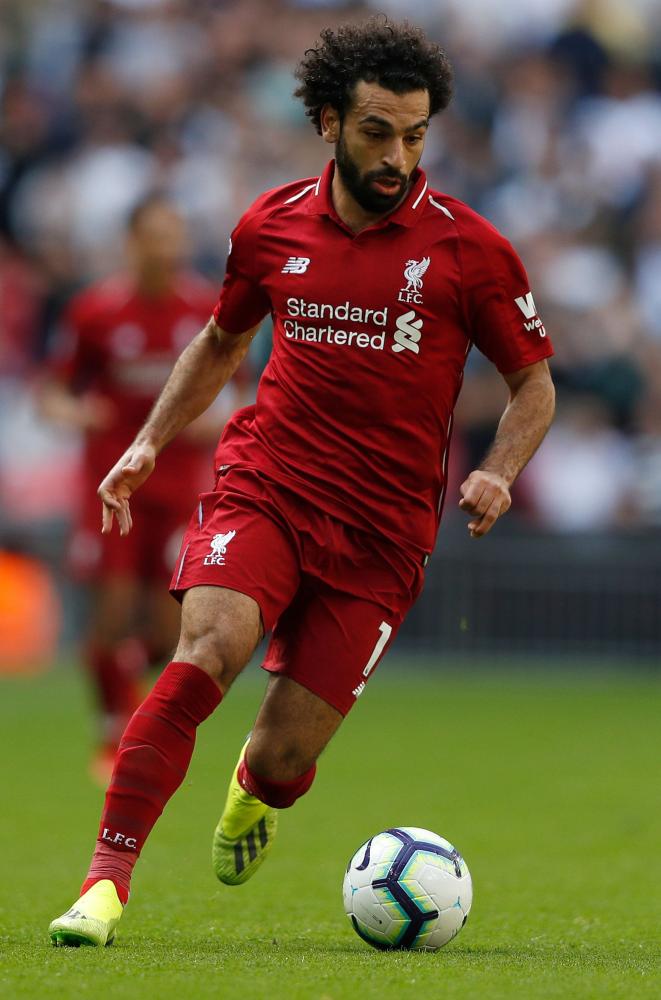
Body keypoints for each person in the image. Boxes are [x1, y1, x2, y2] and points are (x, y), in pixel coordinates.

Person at [49, 18, 555, 947]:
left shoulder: (469, 250)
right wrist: (151, 440)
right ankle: (104, 884)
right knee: (205, 650)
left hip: (383, 534)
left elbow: (533, 384)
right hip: (268, 483)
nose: (398, 155)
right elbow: (222, 340)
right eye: (376, 132)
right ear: (328, 121)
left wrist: (496, 467)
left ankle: (254, 791)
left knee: (283, 758)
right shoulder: (269, 224)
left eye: (415, 135)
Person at [40, 195, 242, 782]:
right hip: (111, 483)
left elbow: (242, 388)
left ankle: (123, 673)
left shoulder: (206, 307)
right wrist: (78, 415)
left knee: (166, 627)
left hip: (182, 486)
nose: (165, 248)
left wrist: (220, 418)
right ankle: (111, 733)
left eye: (173, 236)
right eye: (154, 236)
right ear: (132, 242)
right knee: (110, 611)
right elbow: (51, 391)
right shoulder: (95, 312)